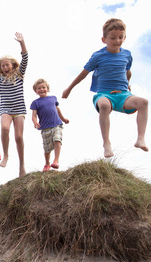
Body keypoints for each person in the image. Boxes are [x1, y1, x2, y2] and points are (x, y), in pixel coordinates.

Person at [62, 18, 148, 158]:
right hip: (104, 94)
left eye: (121, 37)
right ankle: (106, 143)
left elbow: (127, 71)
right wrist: (69, 89)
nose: (117, 41)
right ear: (104, 39)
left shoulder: (127, 55)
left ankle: (140, 139)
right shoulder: (98, 56)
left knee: (143, 102)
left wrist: (128, 83)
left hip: (123, 95)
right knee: (103, 105)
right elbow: (83, 73)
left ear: (125, 37)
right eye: (113, 38)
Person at [0, 32, 28, 177]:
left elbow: (25, 58)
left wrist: (22, 43)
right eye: (2, 66)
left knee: (19, 137)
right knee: (4, 127)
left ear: (12, 65)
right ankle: (6, 155)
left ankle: (21, 166)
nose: (5, 67)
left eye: (7, 65)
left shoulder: (19, 74)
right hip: (6, 109)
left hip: (19, 109)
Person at [31, 79, 69, 172]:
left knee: (57, 140)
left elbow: (57, 110)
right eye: (39, 88)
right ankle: (47, 163)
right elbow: (34, 115)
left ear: (47, 89)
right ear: (36, 91)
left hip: (57, 124)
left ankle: (56, 161)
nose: (41, 89)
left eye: (43, 87)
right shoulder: (35, 102)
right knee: (47, 149)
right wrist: (35, 122)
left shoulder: (53, 98)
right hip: (45, 127)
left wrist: (63, 119)